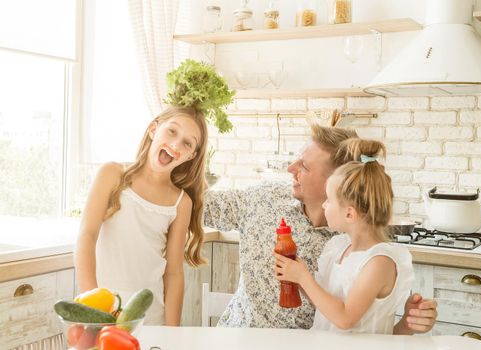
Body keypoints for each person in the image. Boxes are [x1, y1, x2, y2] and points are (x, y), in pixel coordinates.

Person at [204, 124, 437, 333]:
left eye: (304, 166)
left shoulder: (354, 241)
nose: (290, 169)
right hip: (239, 337)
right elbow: (201, 207)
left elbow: (359, 322)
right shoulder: (267, 199)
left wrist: (410, 323)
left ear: (337, 184)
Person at [75, 105, 208, 325]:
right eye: (172, 131)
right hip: (100, 313)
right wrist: (92, 308)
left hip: (149, 318)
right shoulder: (112, 174)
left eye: (187, 143)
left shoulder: (181, 202)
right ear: (153, 129)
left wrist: (172, 332)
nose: (176, 144)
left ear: (191, 156)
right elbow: (86, 237)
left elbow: (173, 273)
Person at [274, 138, 414, 334]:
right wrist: (296, 277)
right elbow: (326, 306)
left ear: (349, 214)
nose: (324, 205)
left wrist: (304, 278)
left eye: (329, 200)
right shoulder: (338, 248)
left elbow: (345, 318)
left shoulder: (379, 262)